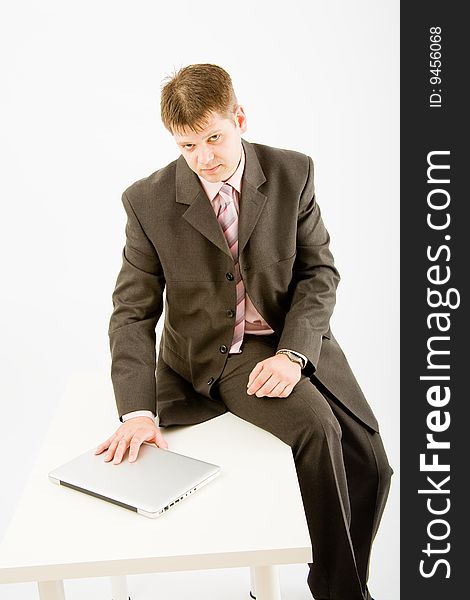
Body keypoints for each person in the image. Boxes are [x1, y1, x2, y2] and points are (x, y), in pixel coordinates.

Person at [95, 63, 393, 600]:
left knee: (371, 462)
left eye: (214, 137)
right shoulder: (146, 201)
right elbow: (131, 311)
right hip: (219, 351)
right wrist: (137, 411)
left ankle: (338, 582)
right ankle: (343, 595)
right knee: (316, 427)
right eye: (187, 145)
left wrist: (295, 354)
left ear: (240, 118)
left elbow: (318, 272)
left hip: (294, 334)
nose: (205, 157)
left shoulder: (291, 172)